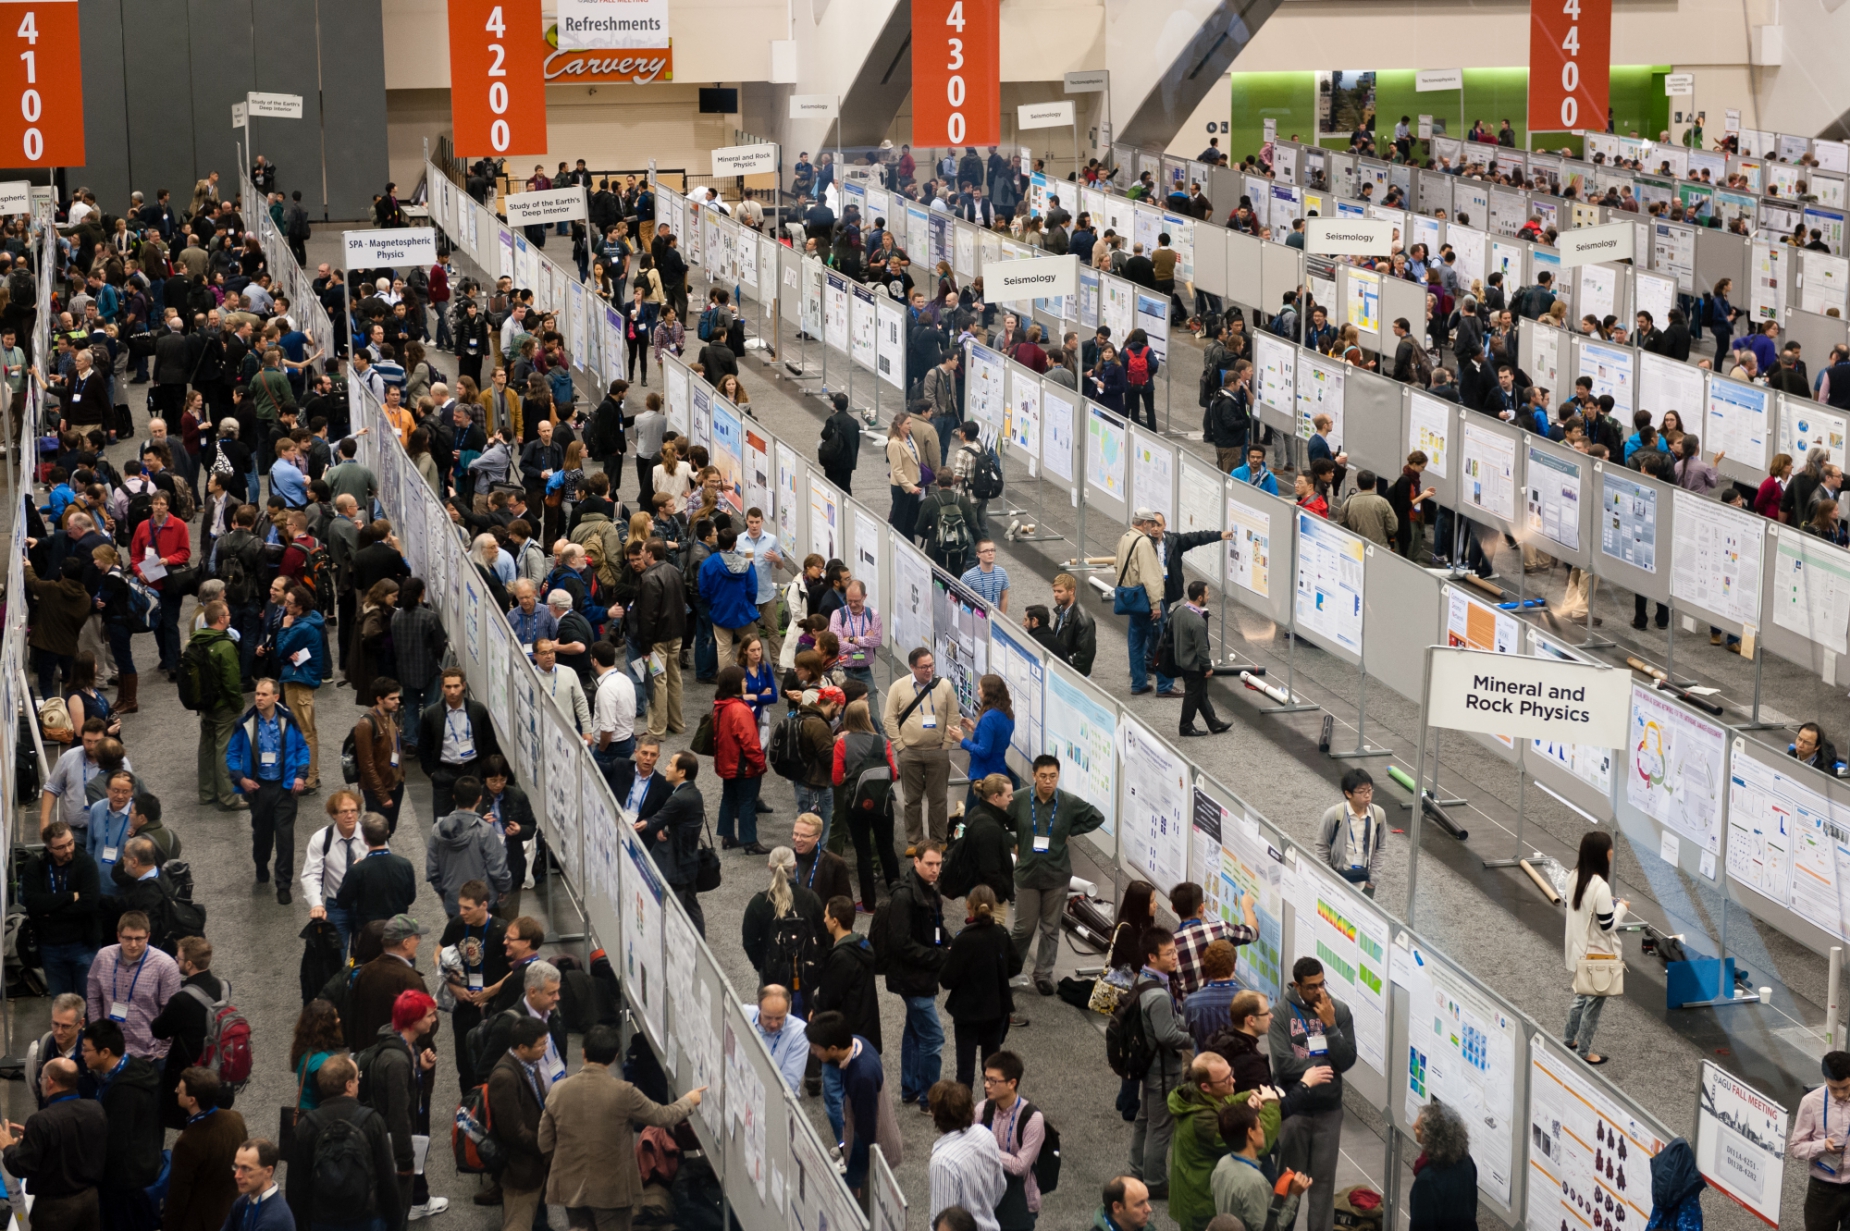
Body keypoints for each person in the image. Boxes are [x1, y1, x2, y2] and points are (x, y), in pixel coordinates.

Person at [540, 1023, 704, 1229]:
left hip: (570, 1185)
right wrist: (689, 1101)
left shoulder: (558, 1090)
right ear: (614, 1055)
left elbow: (544, 1140)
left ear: (583, 1052)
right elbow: (663, 1116)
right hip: (612, 1189)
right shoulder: (624, 1093)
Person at [1269, 957, 1359, 1231]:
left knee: (1322, 1184)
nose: (1319, 992)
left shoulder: (1338, 1011)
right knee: (1288, 1182)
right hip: (1294, 1110)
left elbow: (1345, 1060)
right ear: (1297, 985)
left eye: (1322, 984)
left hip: (1328, 1112)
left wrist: (1330, 1025)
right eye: (1311, 987)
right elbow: (1283, 1063)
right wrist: (1319, 1068)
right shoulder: (1282, 1013)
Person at [1008, 755, 1105, 996]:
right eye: (1043, 776)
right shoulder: (1019, 799)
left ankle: (1043, 974)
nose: (1048, 781)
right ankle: (1009, 971)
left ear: (1058, 776)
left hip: (1056, 874)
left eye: (1053, 776)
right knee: (1023, 929)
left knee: (1050, 929)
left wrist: (1069, 830)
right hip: (1028, 874)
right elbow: (998, 820)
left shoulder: (1068, 802)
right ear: (1034, 776)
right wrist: (1013, 842)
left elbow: (1096, 817)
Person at [226, 677, 312, 903]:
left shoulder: (289, 721)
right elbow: (232, 755)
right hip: (259, 789)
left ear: (276, 697)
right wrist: (242, 779)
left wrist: (301, 776)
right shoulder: (245, 723)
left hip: (284, 790)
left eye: (264, 694)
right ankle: (261, 864)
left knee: (285, 838)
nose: (258, 698)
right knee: (261, 835)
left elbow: (303, 749)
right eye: (256, 694)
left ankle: (283, 884)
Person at [364, 988, 446, 1221]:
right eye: (429, 1015)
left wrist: (418, 1066)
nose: (434, 1019)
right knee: (395, 1211)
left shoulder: (405, 1047)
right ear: (413, 1021)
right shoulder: (397, 1061)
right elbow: (399, 1114)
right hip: (394, 1144)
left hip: (393, 1136)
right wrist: (406, 1160)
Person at [0, 1055, 108, 1230]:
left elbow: (21, 1166)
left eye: (42, 1078)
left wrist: (7, 1146)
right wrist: (36, 1137)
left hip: (55, 1211)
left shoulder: (41, 1120)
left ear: (50, 1081)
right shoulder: (96, 1109)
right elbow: (75, 1139)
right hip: (90, 1202)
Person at [807, 1010, 900, 1202]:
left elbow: (864, 1134)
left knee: (865, 1209)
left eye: (815, 1048)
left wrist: (855, 1179)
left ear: (833, 1048)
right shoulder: (858, 1042)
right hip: (871, 1144)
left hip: (874, 1156)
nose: (812, 1052)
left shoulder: (862, 1077)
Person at [84, 1018, 166, 1230]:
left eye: (86, 1049)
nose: (82, 1054)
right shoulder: (137, 1068)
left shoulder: (124, 1092)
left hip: (126, 1182)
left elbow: (116, 1144)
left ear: (105, 1052)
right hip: (143, 1165)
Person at [1127, 927, 1192, 1196]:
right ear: (1153, 957)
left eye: (1174, 951)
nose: (1175, 957)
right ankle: (1154, 1182)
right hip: (1162, 1072)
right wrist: (1195, 1040)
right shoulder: (1158, 995)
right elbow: (1167, 1035)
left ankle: (1137, 1169)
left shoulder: (1144, 978)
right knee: (1161, 1127)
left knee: (1145, 1119)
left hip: (1148, 1066)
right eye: (1169, 953)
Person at [888, 842, 950, 1111]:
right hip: (912, 978)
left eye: (938, 864)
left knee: (914, 1032)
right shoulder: (904, 897)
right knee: (933, 1038)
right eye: (930, 864)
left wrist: (951, 945)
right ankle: (929, 1099)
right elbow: (900, 943)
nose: (935, 869)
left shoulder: (929, 890)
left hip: (921, 976)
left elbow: (938, 927)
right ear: (916, 862)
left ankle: (911, 1090)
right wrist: (938, 956)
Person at [940, 884, 1019, 1087]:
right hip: (995, 1010)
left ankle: (963, 1114)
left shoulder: (963, 940)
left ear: (968, 905)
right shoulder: (1001, 934)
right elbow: (1015, 965)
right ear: (993, 906)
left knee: (964, 1071)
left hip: (966, 1013)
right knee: (992, 1070)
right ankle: (992, 1114)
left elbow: (947, 980)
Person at [149, 936, 229, 1129]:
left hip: (190, 1066)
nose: (176, 962)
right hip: (216, 1063)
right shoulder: (223, 986)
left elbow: (159, 1030)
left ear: (190, 964)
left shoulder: (182, 999)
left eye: (178, 959)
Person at [885, 647, 960, 848]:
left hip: (938, 752)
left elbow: (953, 716)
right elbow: (889, 719)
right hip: (909, 753)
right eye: (924, 667)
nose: (929, 670)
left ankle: (939, 840)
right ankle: (915, 841)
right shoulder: (898, 687)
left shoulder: (944, 686)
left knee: (938, 800)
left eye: (931, 665)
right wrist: (900, 746)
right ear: (912, 667)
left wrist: (946, 745)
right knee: (912, 801)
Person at [488, 1015, 556, 1231]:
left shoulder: (530, 1063)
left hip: (536, 1162)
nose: (545, 1049)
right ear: (521, 1047)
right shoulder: (504, 1078)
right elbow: (512, 1132)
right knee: (518, 1222)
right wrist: (545, 1146)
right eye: (541, 1045)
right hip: (520, 1167)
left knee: (538, 1218)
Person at [85, 910, 181, 1063]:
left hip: (147, 1054)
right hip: (109, 1051)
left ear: (148, 936)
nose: (133, 944)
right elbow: (93, 997)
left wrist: (161, 1051)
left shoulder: (165, 966)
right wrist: (99, 1034)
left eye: (139, 938)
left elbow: (170, 1012)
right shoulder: (103, 957)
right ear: (118, 936)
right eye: (128, 938)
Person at [1565, 830, 1626, 1065]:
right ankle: (1584, 1051)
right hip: (1598, 956)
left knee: (1580, 997)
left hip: (1579, 950)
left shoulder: (1574, 876)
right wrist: (1621, 908)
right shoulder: (1600, 887)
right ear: (1604, 854)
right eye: (1611, 850)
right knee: (1593, 1005)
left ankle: (1568, 1038)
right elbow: (1608, 925)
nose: (1612, 854)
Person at [22, 821, 102, 996]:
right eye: (61, 847)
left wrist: (49, 914)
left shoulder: (86, 863)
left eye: (70, 843)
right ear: (49, 848)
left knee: (89, 1003)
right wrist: (68, 897)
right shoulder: (35, 866)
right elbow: (32, 903)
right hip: (50, 947)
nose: (68, 850)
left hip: (82, 945)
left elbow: (89, 903)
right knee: (61, 1004)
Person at [1166, 1053, 1245, 1231]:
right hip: (1200, 1201)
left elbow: (1226, 1101)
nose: (1233, 1080)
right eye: (1226, 1078)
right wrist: (1270, 1107)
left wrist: (1249, 1096)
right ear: (1205, 1086)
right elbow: (1243, 1144)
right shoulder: (1202, 1119)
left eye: (1231, 1073)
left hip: (1199, 1193)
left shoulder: (1201, 1097)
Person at [164, 1067, 247, 1231]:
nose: (175, 1091)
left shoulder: (188, 1142)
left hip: (202, 1220)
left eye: (180, 1090)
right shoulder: (235, 1118)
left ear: (191, 1100)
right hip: (232, 1208)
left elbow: (178, 1196)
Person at [972, 1051, 1046, 1231]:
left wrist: (985, 1149)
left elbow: (1020, 1167)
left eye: (993, 1081)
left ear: (1012, 1083)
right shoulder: (982, 1109)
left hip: (1019, 1203)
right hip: (985, 1198)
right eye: (985, 1079)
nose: (986, 1085)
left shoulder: (1032, 1119)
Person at [1211, 1100, 1312, 1231]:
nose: (1263, 1129)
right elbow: (1270, 1229)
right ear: (1251, 1133)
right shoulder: (1255, 1182)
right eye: (1259, 1125)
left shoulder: (1222, 1164)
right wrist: (1293, 1194)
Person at [742, 846, 827, 999]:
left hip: (772, 971)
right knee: (802, 1018)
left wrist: (762, 965)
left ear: (770, 867)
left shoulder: (759, 902)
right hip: (805, 969)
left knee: (772, 1017)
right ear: (794, 866)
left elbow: (750, 942)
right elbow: (823, 935)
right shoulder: (811, 898)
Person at [418, 667, 500, 819]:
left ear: (463, 685)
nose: (452, 691)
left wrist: (483, 771)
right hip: (444, 773)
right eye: (448, 687)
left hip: (473, 770)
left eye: (456, 686)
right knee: (443, 822)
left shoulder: (477, 710)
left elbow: (489, 742)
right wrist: (432, 773)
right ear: (442, 687)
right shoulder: (431, 714)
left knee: (478, 819)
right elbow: (423, 747)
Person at [426, 775, 512, 916]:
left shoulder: (437, 829)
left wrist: (443, 893)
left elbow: (432, 869)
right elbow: (498, 868)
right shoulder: (484, 830)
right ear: (479, 798)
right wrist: (504, 888)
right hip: (483, 903)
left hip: (454, 902)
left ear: (454, 797)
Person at [928, 1080, 1008, 1231]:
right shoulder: (985, 1134)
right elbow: (1000, 1187)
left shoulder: (942, 1163)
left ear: (934, 1115)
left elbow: (941, 1223)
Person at [642, 751, 708, 932]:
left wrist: (638, 825)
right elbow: (682, 822)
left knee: (672, 914)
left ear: (681, 772)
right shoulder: (693, 793)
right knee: (692, 909)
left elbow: (655, 822)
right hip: (689, 863)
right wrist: (667, 828)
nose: (666, 767)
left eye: (671, 764)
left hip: (675, 866)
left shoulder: (678, 798)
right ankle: (699, 948)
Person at [189, 601, 245, 812]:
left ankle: (206, 793)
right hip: (223, 706)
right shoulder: (225, 645)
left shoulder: (196, 641)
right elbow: (231, 681)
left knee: (206, 748)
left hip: (204, 704)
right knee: (225, 749)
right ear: (221, 619)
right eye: (228, 615)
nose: (230, 617)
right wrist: (238, 705)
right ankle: (228, 798)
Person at [1790, 1051, 1850, 1231]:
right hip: (1822, 1190)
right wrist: (1821, 1146)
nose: (1840, 1093)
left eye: (1846, 1087)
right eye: (1834, 1088)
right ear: (1825, 1079)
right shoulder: (1811, 1102)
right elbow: (1795, 1148)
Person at [302, 789, 366, 956]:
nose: (350, 816)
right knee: (335, 956)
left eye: (353, 811)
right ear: (333, 815)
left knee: (365, 958)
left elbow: (383, 865)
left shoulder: (370, 835)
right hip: (337, 905)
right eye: (343, 812)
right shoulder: (321, 839)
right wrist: (316, 904)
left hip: (365, 905)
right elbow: (311, 874)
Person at [333, 813, 418, 926]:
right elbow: (410, 898)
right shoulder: (405, 865)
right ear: (387, 832)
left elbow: (343, 902)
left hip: (369, 932)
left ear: (364, 838)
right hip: (398, 930)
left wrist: (352, 869)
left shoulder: (358, 869)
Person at [1115, 509, 1165, 694]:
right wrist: (1155, 604)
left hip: (1129, 598)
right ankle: (1165, 685)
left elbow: (1117, 566)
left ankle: (1138, 683)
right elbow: (1150, 575)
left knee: (1135, 643)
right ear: (1144, 523)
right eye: (1151, 524)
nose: (1152, 528)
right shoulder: (1143, 542)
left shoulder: (1125, 537)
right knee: (1161, 641)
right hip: (1144, 599)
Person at [1408, 1098, 1479, 1230]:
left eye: (1419, 1128)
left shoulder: (1427, 1180)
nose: (1413, 1126)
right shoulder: (1467, 1162)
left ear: (1431, 1137)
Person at [1315, 768, 1387, 895]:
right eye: (1361, 791)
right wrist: (1328, 877)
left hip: (1365, 882)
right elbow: (1321, 846)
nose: (1367, 795)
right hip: (1338, 881)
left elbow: (1381, 847)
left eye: (1370, 790)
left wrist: (1373, 879)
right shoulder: (1334, 814)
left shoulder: (1378, 814)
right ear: (1348, 794)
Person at [1172, 581, 1230, 737]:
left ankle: (1213, 723)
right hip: (1193, 665)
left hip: (1181, 661)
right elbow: (1202, 649)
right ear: (1199, 597)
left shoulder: (1178, 611)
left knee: (1199, 693)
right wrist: (1207, 667)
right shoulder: (1198, 622)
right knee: (1193, 694)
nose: (1209, 597)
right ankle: (1185, 726)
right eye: (1207, 594)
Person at [744, 983, 811, 1096]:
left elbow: (789, 1083)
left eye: (779, 1018)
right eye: (768, 1017)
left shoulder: (800, 1033)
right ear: (759, 1008)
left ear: (788, 1008)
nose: (774, 1024)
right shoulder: (743, 1014)